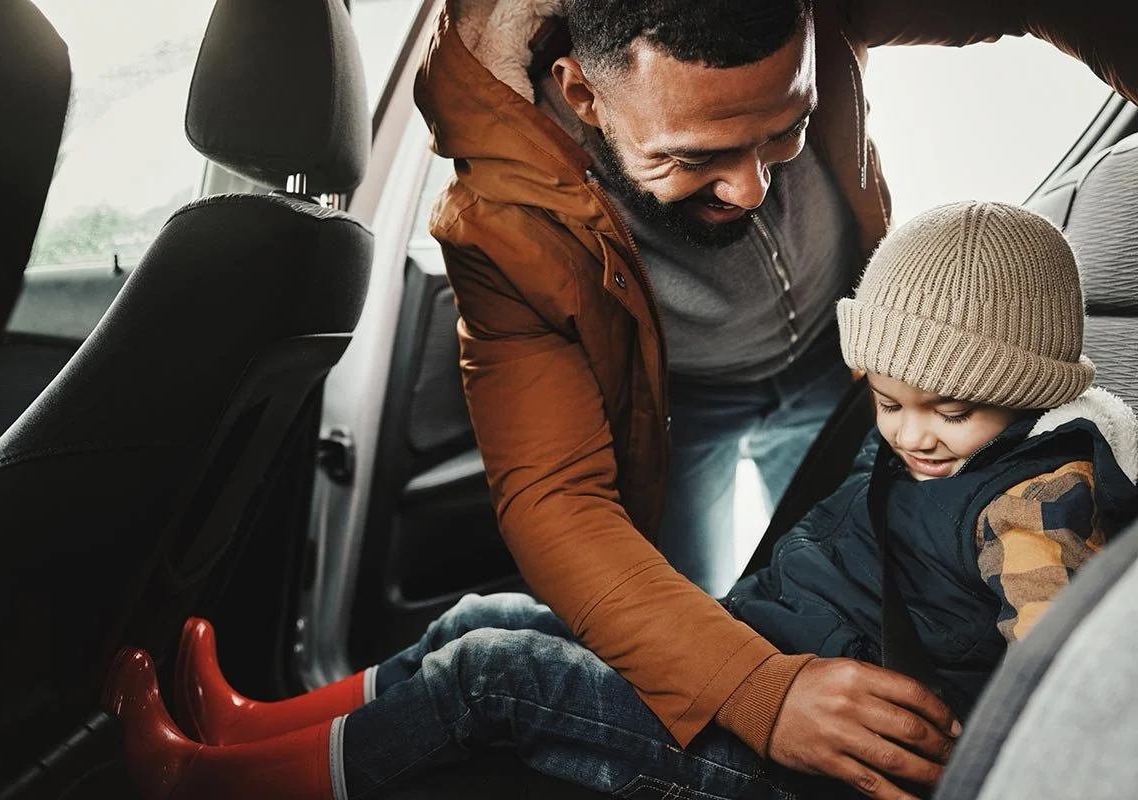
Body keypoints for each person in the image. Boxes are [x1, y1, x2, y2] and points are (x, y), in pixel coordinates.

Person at [104, 202, 1138, 800]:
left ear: (1030, 388)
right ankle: (249, 723)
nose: (912, 432)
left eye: (949, 411)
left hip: (797, 769)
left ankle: (205, 786)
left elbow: (1064, 695)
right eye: (891, 400)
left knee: (490, 671)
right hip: (765, 660)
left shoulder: (1038, 507)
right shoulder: (943, 445)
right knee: (483, 613)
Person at [407, 1, 1138, 792]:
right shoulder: (502, 215)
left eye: (784, 131)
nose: (753, 187)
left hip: (855, 372)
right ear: (583, 94)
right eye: (694, 156)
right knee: (679, 641)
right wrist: (760, 689)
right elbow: (554, 499)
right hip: (681, 406)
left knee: (856, 567)